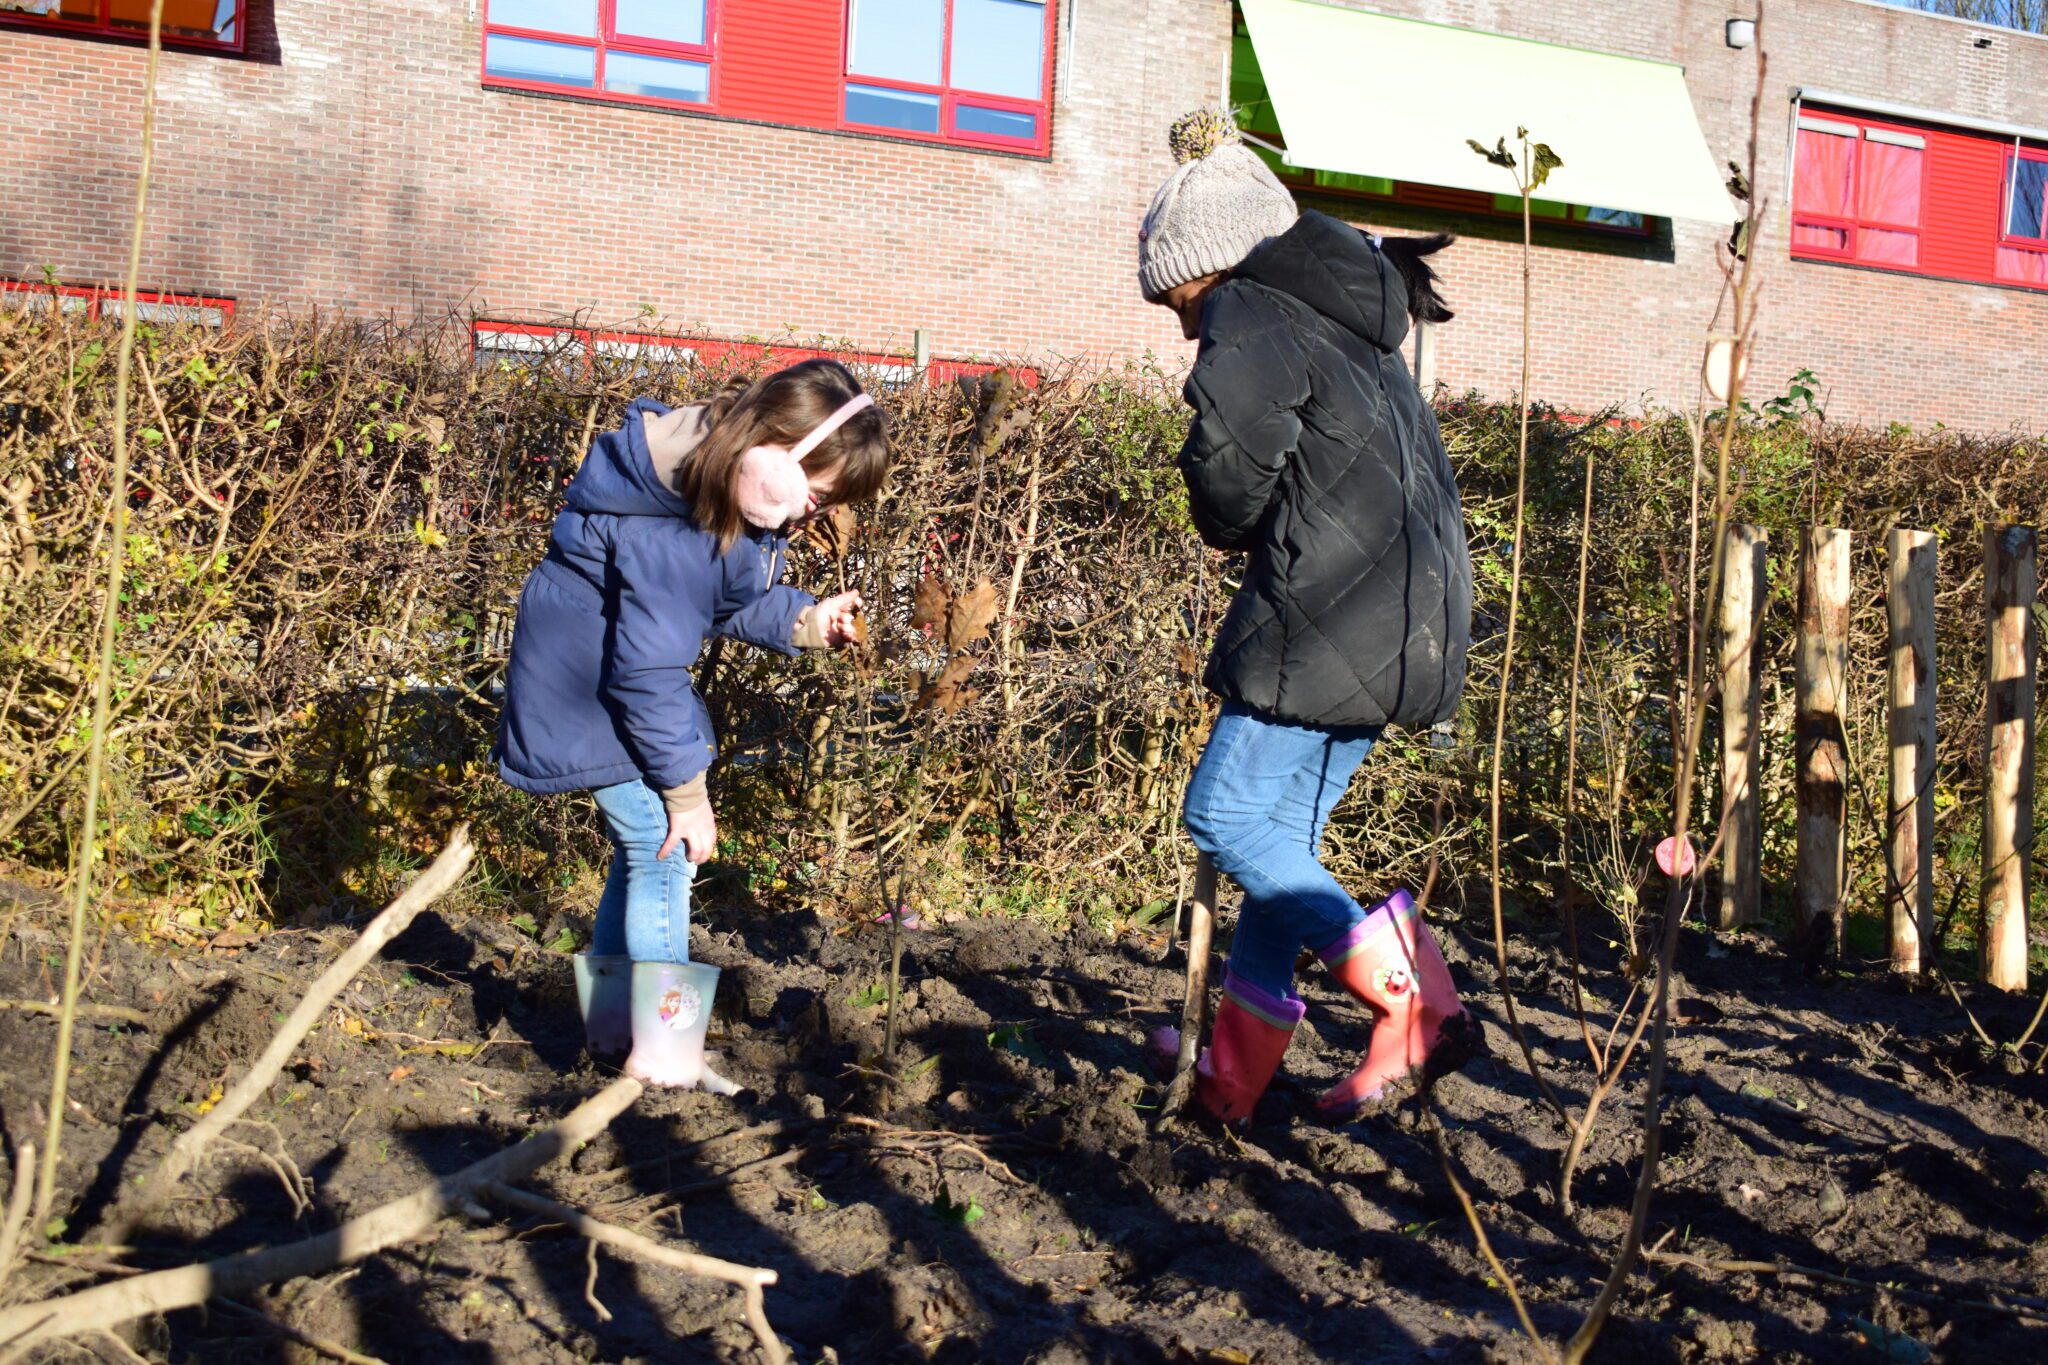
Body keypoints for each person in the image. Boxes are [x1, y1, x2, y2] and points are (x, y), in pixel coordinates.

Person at [1140, 109, 1477, 1123]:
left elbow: (1231, 462)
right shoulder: (1352, 326)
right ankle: (1233, 1073)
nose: (1182, 325)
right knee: (1277, 842)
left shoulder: (1253, 310)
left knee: (1224, 816)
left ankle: (1412, 999)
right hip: (1402, 618)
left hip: (1326, 611)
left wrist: (1222, 516)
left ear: (1214, 267)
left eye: (1178, 299)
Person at [494, 360, 887, 1087]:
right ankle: (667, 1051)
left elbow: (724, 599)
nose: (816, 513)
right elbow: (646, 671)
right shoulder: (676, 522)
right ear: (776, 453)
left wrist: (805, 617)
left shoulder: (713, 488)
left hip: (596, 679)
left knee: (640, 846)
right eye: (821, 493)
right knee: (666, 842)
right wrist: (688, 794)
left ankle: (614, 1030)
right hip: (587, 686)